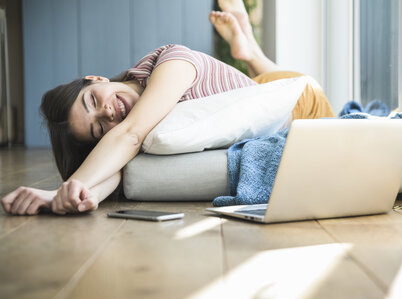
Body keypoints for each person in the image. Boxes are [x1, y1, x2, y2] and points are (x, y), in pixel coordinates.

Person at [1, 0, 334, 216]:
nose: (107, 113)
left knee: (283, 84)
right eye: (98, 128)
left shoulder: (170, 60)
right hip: (250, 96)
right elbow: (113, 170)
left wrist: (63, 186)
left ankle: (250, 53)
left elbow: (129, 137)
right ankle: (247, 53)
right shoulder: (127, 132)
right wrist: (74, 196)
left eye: (92, 100)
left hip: (302, 100)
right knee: (258, 86)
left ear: (95, 78)